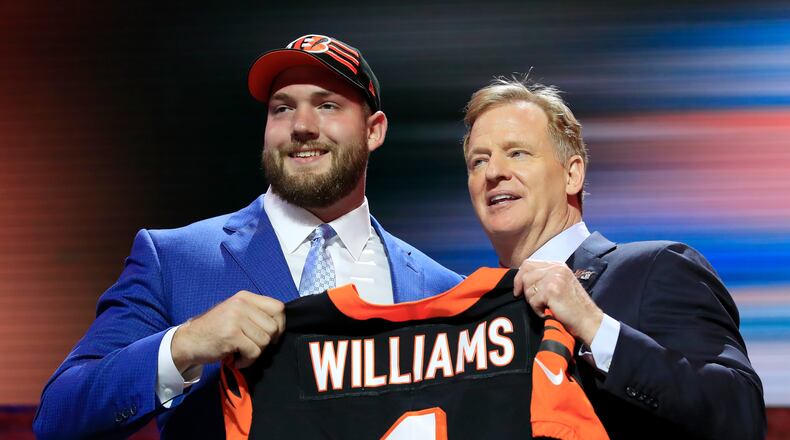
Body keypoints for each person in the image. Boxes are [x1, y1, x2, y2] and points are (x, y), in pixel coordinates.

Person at [33, 34, 461, 440]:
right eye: (282, 108)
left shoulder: (440, 289)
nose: (302, 126)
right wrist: (185, 344)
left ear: (374, 130)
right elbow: (59, 415)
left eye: (327, 105)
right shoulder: (173, 259)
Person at [462, 77, 765, 439]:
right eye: (478, 161)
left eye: (517, 153)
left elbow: (740, 415)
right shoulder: (468, 319)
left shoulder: (655, 268)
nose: (493, 173)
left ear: (572, 174)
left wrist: (595, 326)